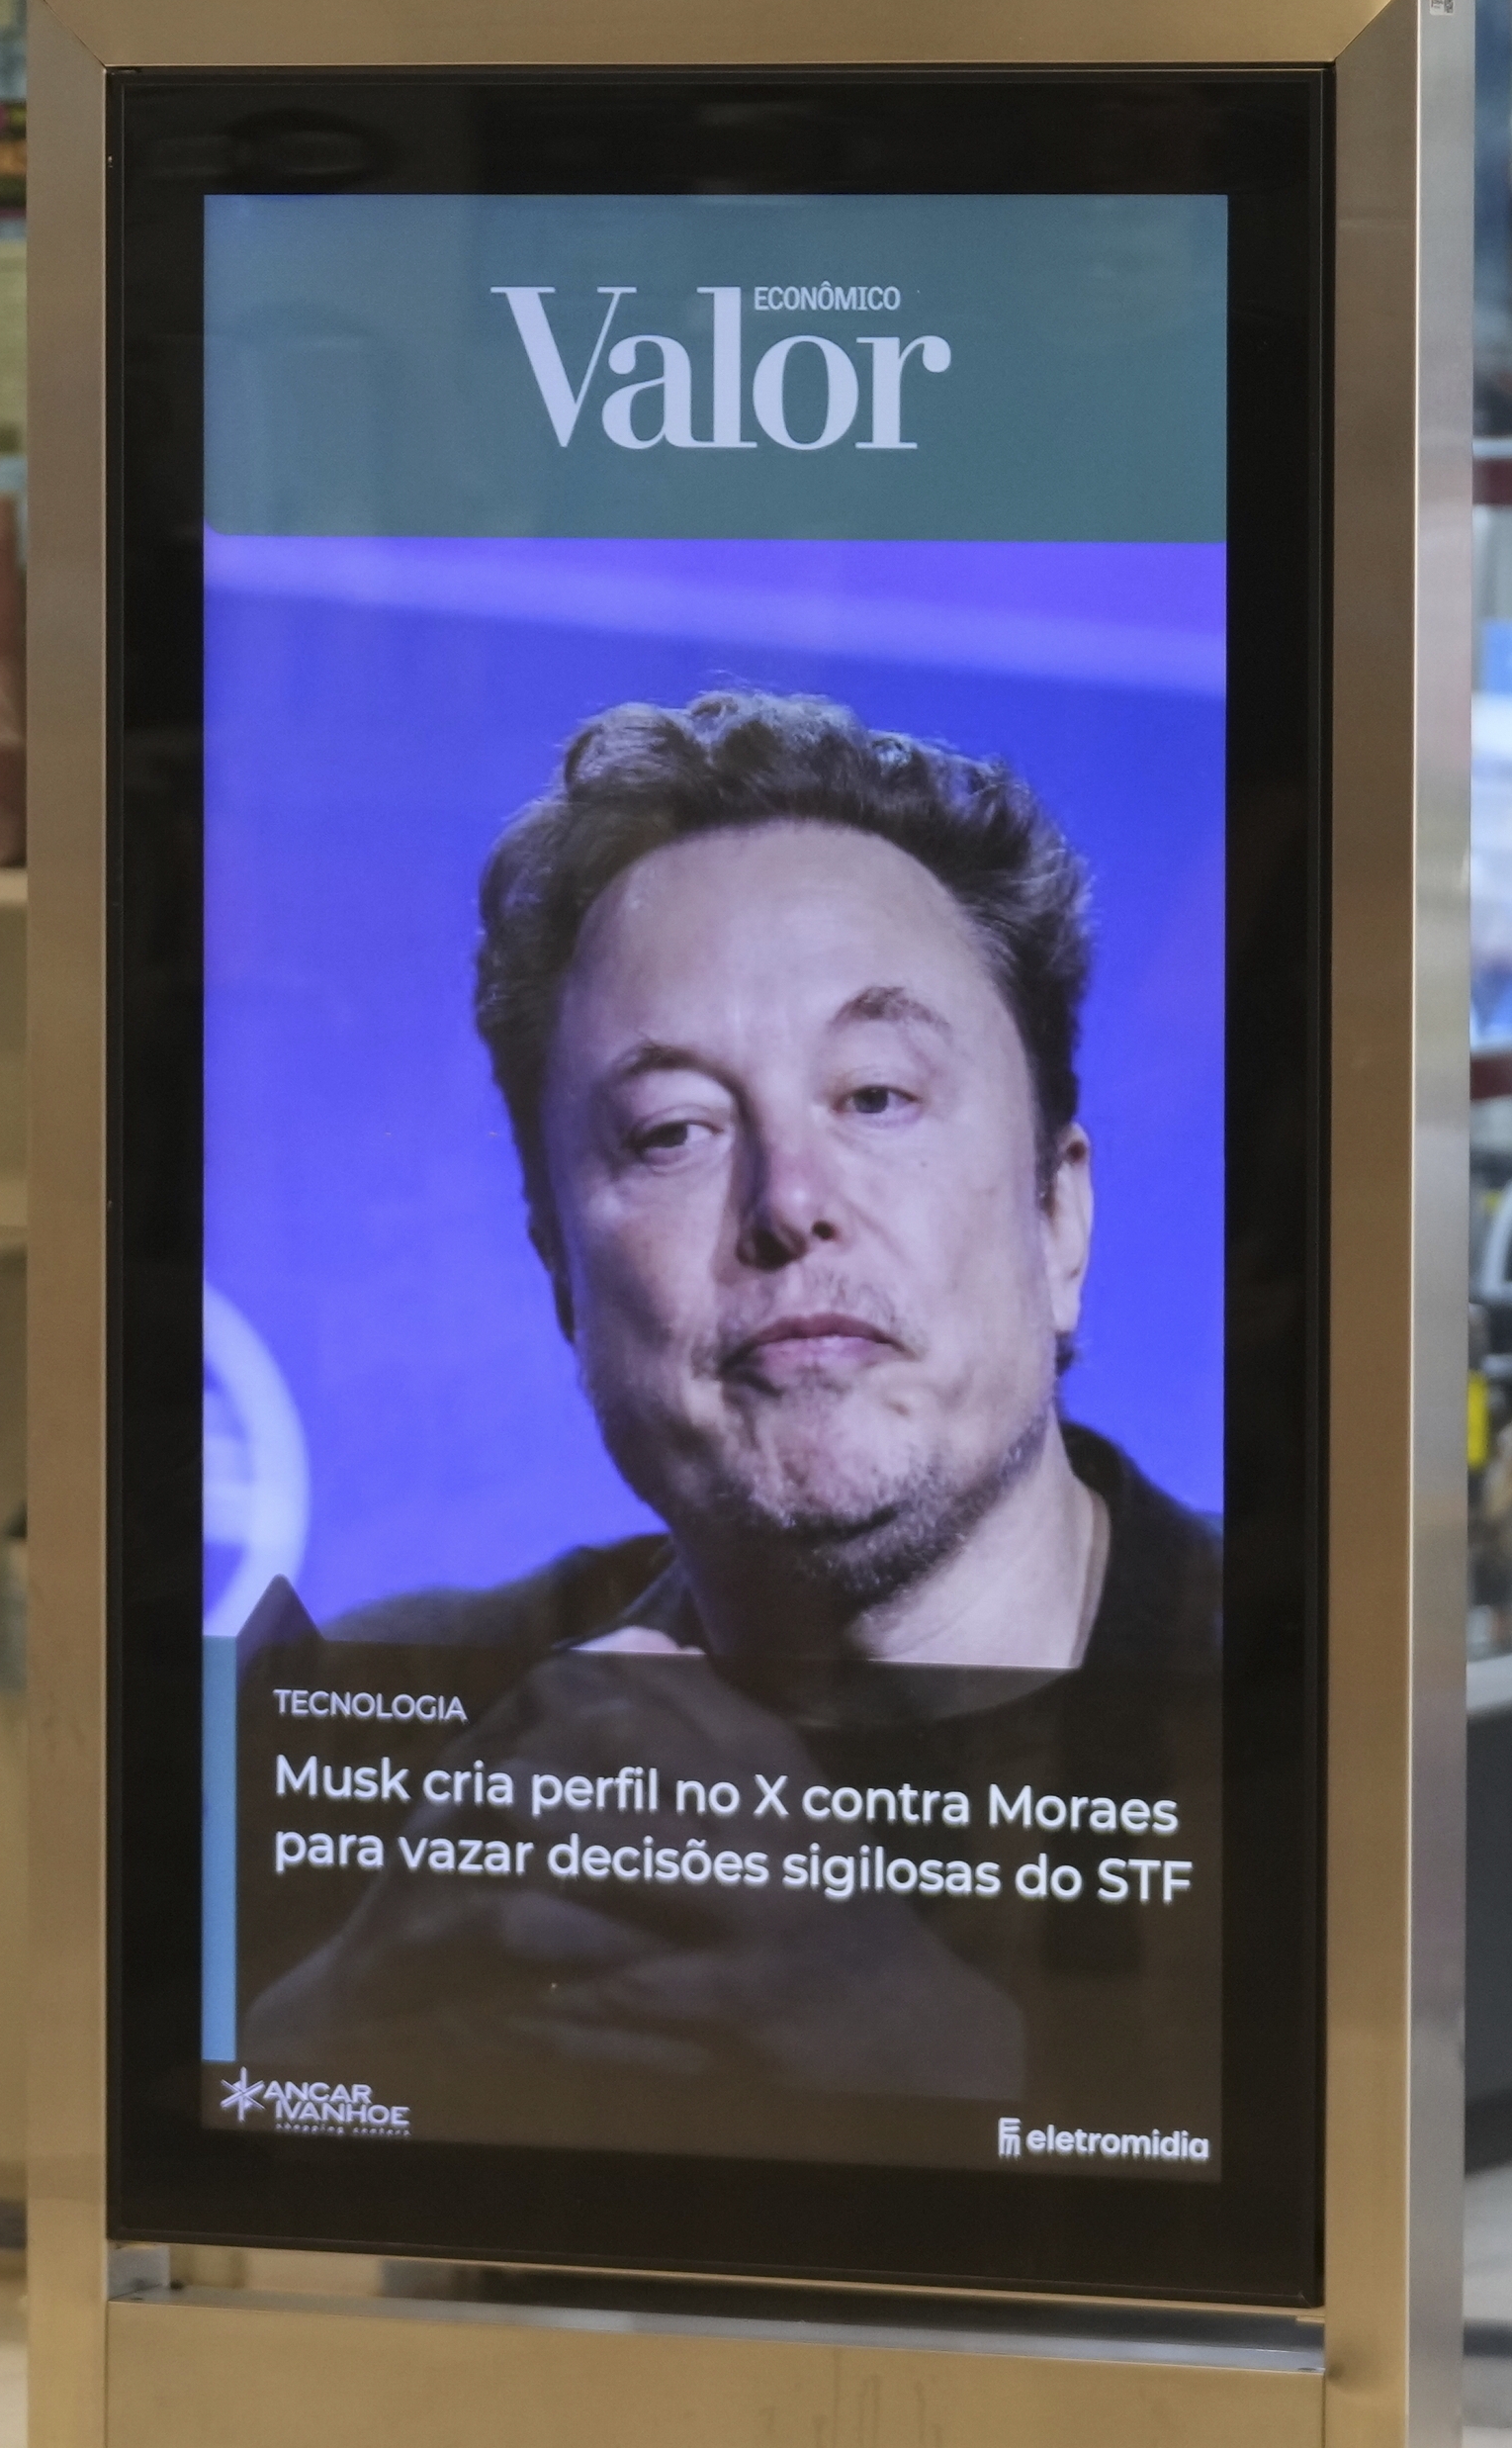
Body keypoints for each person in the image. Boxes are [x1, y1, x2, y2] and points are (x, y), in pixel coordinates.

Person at [235, 689, 1220, 2122]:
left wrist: (934, 2059)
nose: (791, 1206)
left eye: (877, 1096)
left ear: (1059, 1214)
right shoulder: (365, 1721)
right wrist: (339, 2026)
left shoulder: (1336, 1731)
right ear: (561, 1274)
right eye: (675, 1131)